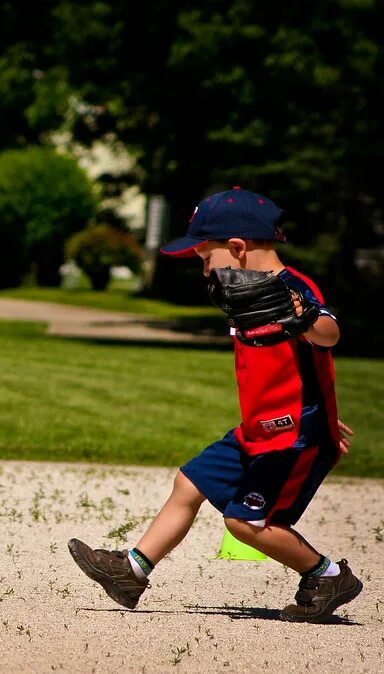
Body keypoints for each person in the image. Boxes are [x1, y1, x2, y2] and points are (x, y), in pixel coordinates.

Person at [68, 187, 362, 622]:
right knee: (189, 482)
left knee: (245, 524)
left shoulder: (292, 290)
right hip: (257, 428)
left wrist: (300, 319)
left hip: (293, 435)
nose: (204, 269)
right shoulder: (242, 294)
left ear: (238, 248)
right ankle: (132, 571)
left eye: (206, 257)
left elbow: (329, 334)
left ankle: (327, 574)